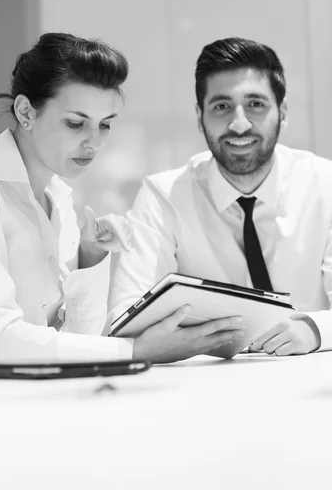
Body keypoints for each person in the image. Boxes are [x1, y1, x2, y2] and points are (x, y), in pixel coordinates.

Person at [0, 32, 243, 366]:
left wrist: (90, 259)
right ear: (26, 111)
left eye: (105, 125)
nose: (94, 142)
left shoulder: (60, 201)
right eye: (75, 123)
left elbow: (77, 341)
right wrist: (137, 351)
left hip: (32, 396)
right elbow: (2, 342)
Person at [109, 36, 332, 357]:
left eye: (256, 104)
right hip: (201, 385)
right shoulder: (163, 195)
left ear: (282, 112)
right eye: (221, 106)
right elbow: (125, 313)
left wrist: (315, 329)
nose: (239, 124)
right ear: (200, 116)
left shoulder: (325, 184)